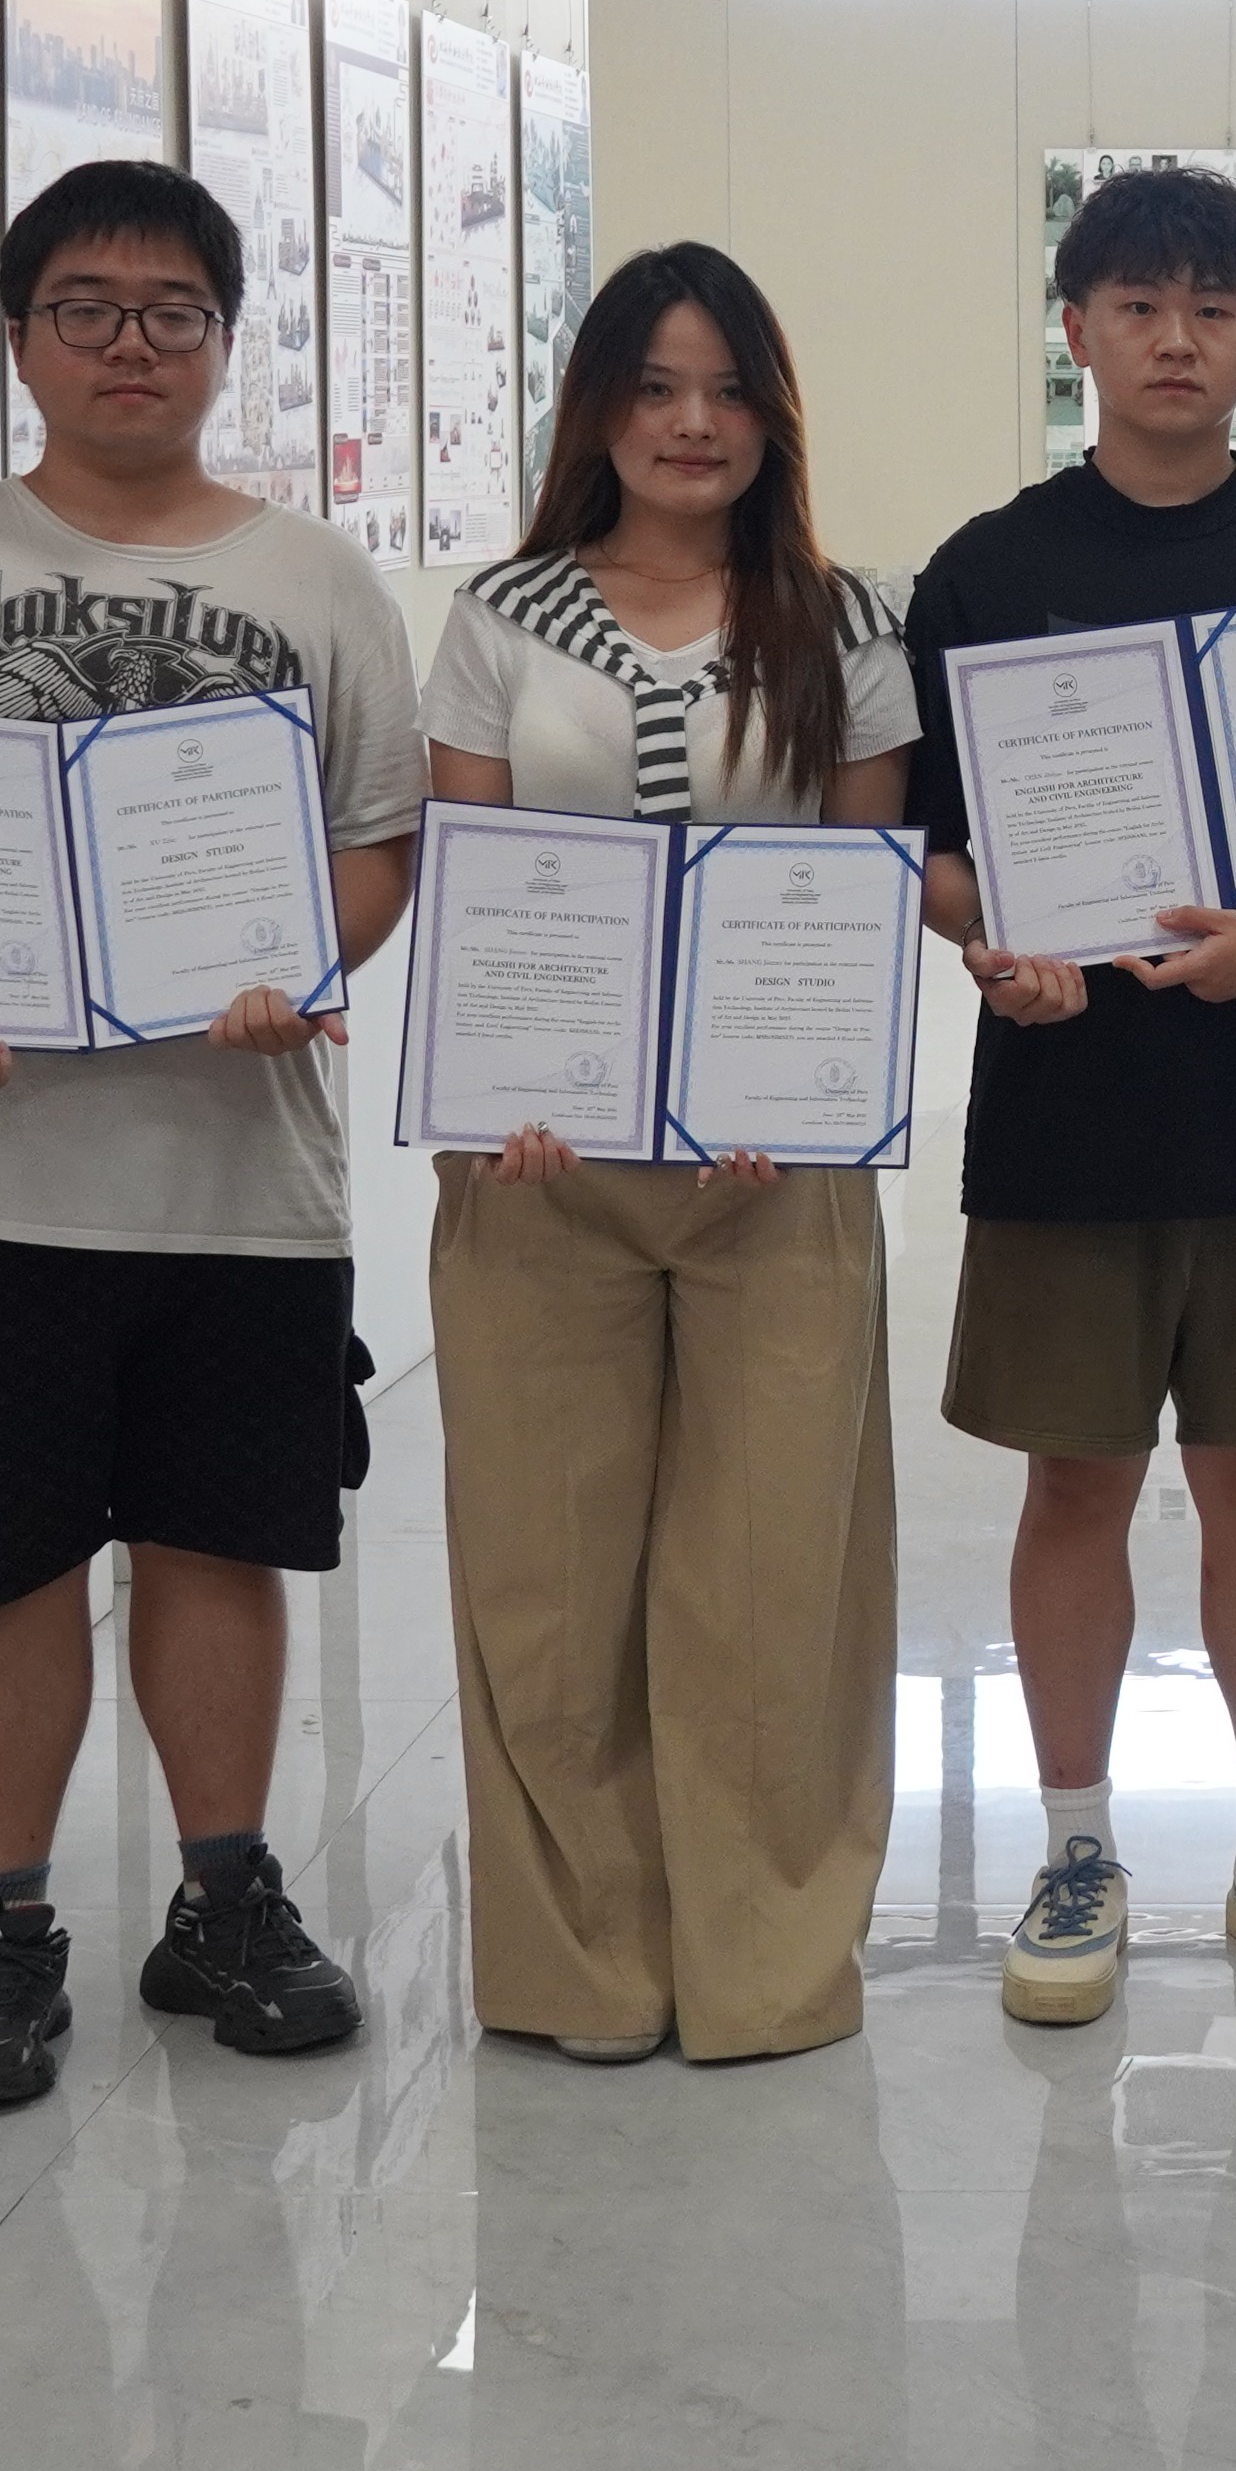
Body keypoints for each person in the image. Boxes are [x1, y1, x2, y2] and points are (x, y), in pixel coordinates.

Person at [0, 160, 423, 2112]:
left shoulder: (319, 580)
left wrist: (299, 959)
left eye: (171, 312)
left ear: (224, 342)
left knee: (221, 1543)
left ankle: (223, 1897)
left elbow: (376, 842)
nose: (130, 344)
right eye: (85, 307)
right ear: (19, 335)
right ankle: (4, 1926)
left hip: (244, 1169)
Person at [907, 161, 1236, 2026]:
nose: (1175, 340)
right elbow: (928, 846)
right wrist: (998, 937)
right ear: (1078, 331)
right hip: (1069, 1103)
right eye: (1138, 307)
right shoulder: (989, 570)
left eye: (1212, 310)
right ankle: (1074, 1850)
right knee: (1075, 1482)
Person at [419, 244, 915, 2068]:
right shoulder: (500, 617)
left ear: (772, 415)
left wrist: (797, 1094)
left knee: (775, 1581)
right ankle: (581, 1970)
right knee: (546, 1584)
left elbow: (856, 895)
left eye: (724, 390)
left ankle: (764, 1962)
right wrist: (503, 1081)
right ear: (598, 410)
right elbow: (475, 889)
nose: (690, 423)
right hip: (539, 1173)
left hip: (775, 1178)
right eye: (653, 387)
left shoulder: (845, 626)